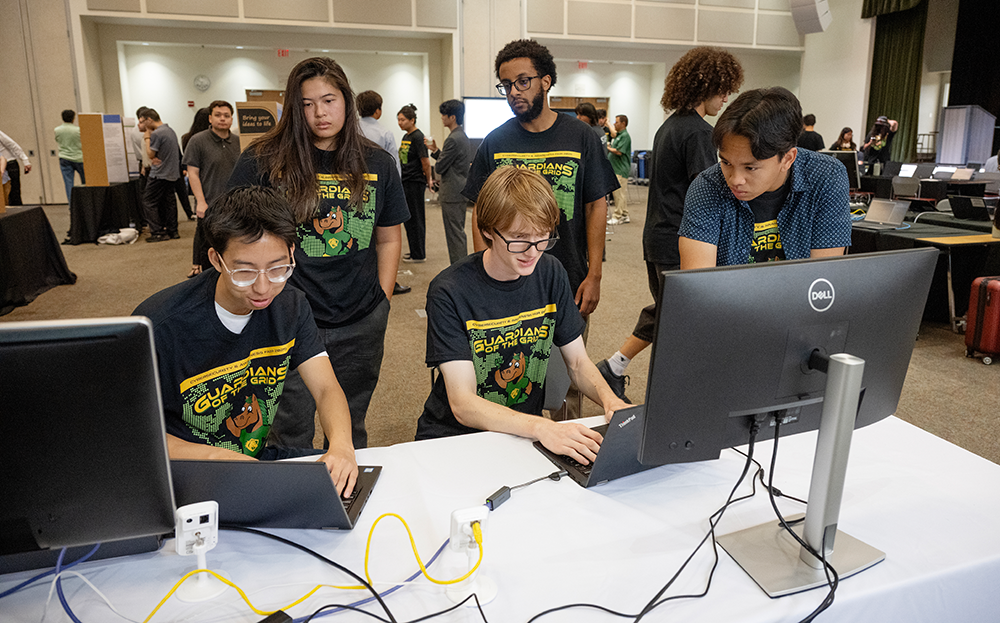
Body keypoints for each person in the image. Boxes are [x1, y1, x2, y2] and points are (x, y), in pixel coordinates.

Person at [228, 57, 408, 450]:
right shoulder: (263, 160)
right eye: (307, 104)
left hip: (361, 317)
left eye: (328, 100)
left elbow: (389, 238)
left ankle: (346, 503)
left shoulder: (376, 161)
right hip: (287, 315)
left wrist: (383, 299)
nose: (319, 113)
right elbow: (230, 235)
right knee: (287, 429)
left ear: (346, 100)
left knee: (350, 425)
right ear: (295, 108)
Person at [133, 186, 359, 495]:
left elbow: (325, 387)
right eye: (244, 271)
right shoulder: (159, 325)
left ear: (292, 252)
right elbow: (136, 434)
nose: (263, 288)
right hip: (186, 473)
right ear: (216, 259)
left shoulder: (291, 305)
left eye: (279, 268)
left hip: (253, 463)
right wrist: (217, 457)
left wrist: (342, 446)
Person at [415, 166, 628, 463]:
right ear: (488, 229)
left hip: (521, 436)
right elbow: (463, 403)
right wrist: (541, 426)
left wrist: (610, 400)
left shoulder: (550, 271)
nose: (532, 252)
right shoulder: (450, 291)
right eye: (519, 238)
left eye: (542, 238)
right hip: (454, 438)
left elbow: (578, 363)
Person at [596, 46, 743, 400]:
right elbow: (708, 191)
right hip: (682, 240)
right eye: (722, 90)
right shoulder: (697, 133)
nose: (725, 98)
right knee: (683, 320)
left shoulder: (670, 126)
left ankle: (614, 367)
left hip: (659, 237)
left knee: (668, 310)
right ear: (705, 84)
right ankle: (669, 396)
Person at [464, 39, 618, 321]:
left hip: (568, 275)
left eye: (523, 81)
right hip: (508, 279)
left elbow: (596, 205)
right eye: (506, 84)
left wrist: (594, 273)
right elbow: (479, 213)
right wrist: (484, 272)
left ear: (546, 81)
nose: (513, 92)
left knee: (570, 359)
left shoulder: (580, 136)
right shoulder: (495, 141)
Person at [678, 87, 852, 269]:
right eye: (726, 162)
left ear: (787, 159)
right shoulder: (707, 187)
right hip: (728, 297)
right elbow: (699, 286)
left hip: (799, 296)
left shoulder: (826, 176)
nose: (735, 179)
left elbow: (822, 279)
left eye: (750, 167)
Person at [357, 90, 411, 295]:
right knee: (385, 238)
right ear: (379, 111)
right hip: (378, 191)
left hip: (351, 190)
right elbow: (394, 166)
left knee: (359, 236)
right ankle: (387, 281)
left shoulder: (348, 129)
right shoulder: (384, 133)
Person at [183, 100, 239, 279]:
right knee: (209, 250)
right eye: (218, 115)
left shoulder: (239, 142)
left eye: (226, 116)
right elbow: (193, 173)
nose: (222, 119)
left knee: (234, 246)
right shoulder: (197, 141)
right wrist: (200, 201)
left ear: (232, 119)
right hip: (209, 204)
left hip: (235, 205)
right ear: (210, 118)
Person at [427, 99, 472, 265]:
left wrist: (439, 156)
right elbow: (450, 162)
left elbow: (439, 167)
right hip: (458, 190)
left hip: (452, 192)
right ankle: (460, 265)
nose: (441, 118)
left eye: (443, 115)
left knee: (455, 234)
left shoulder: (453, 139)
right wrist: (437, 151)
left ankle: (459, 267)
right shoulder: (461, 135)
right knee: (457, 232)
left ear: (452, 117)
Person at [139, 108, 182, 242]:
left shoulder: (157, 134)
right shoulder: (170, 131)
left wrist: (147, 138)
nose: (143, 126)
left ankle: (157, 232)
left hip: (159, 174)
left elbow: (151, 154)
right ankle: (173, 230)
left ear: (149, 119)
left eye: (143, 122)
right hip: (171, 173)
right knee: (169, 201)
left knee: (148, 202)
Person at [397, 104, 433, 263]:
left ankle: (419, 254)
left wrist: (429, 180)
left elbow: (425, 161)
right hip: (405, 181)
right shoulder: (406, 137)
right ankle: (413, 251)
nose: (400, 123)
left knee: (416, 218)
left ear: (412, 120)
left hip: (415, 182)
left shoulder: (418, 137)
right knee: (409, 218)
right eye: (398, 120)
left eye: (403, 120)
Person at [54, 110, 85, 204]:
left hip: (64, 158)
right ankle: (85, 203)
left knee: (68, 184)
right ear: (73, 118)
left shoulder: (57, 130)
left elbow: (57, 140)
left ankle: (72, 206)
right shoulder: (78, 130)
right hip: (79, 158)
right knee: (85, 183)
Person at [607, 114, 632, 225]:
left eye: (616, 122)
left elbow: (619, 151)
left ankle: (618, 216)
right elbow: (613, 133)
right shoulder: (619, 135)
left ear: (623, 123)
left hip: (620, 170)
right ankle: (625, 214)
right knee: (621, 194)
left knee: (619, 194)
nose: (614, 124)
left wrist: (607, 148)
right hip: (616, 169)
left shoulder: (625, 136)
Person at [0, 129, 32, 206]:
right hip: (2, 166)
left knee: (14, 195)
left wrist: (25, 160)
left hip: (10, 164)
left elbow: (12, 145)